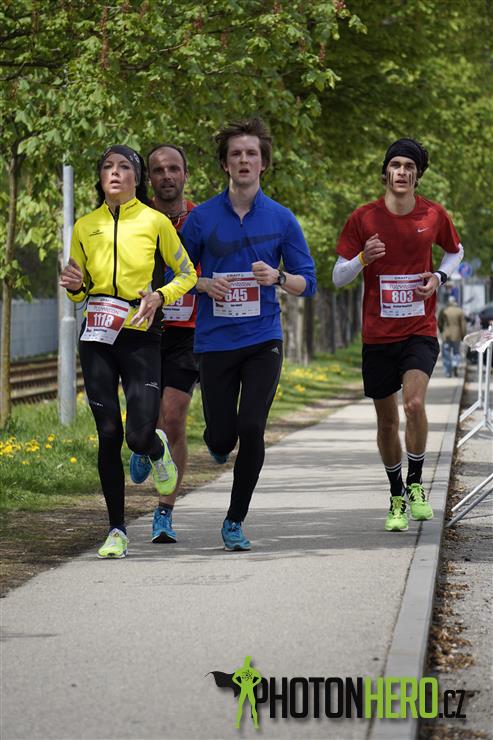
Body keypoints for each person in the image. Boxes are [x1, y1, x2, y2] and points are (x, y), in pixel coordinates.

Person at [181, 117, 317, 551]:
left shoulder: (281, 219)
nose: (244, 160)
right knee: (222, 436)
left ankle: (235, 520)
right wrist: (204, 283)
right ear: (225, 164)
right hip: (215, 341)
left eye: (251, 154)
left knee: (253, 426)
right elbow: (172, 275)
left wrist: (278, 277)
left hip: (263, 339)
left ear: (263, 164)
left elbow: (308, 282)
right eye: (236, 154)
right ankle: (218, 442)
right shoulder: (201, 218)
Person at [59, 144, 197, 558]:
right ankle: (116, 530)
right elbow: (79, 290)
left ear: (137, 178)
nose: (115, 172)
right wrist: (75, 287)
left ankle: (156, 450)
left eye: (124, 167)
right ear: (101, 178)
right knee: (108, 433)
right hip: (97, 336)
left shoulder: (155, 222)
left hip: (140, 334)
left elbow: (187, 273)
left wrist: (159, 295)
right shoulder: (85, 226)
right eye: (108, 167)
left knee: (137, 435)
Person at [333, 138, 464, 532]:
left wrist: (438, 277)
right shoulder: (363, 218)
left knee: (414, 404)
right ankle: (395, 495)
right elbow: (338, 277)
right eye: (396, 165)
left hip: (419, 329)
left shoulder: (433, 214)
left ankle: (416, 485)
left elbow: (455, 251)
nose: (402, 172)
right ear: (386, 172)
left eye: (409, 166)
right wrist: (363, 258)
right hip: (377, 336)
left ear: (417, 175)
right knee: (387, 423)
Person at [129, 144, 198, 544]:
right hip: (142, 329)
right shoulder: (135, 218)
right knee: (147, 419)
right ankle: (143, 444)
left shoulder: (201, 219)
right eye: (158, 170)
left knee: (172, 417)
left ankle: (164, 511)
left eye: (174, 168)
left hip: (187, 331)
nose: (167, 176)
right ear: (148, 178)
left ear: (186, 174)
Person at [438, 296, 467, 377]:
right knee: (456, 352)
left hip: (446, 335)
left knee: (446, 353)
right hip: (456, 335)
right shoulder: (460, 311)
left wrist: (441, 330)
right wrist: (463, 335)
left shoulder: (444, 311)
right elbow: (463, 326)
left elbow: (439, 322)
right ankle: (455, 364)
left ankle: (448, 372)